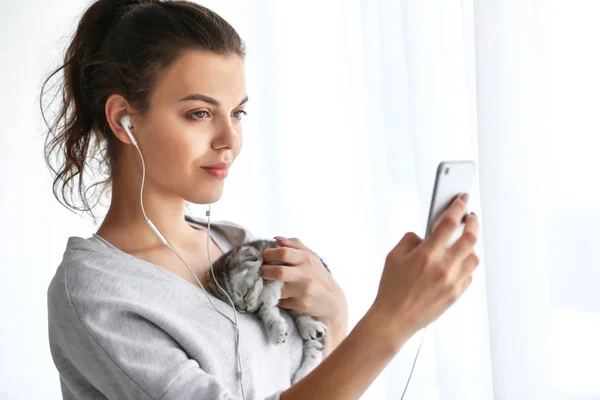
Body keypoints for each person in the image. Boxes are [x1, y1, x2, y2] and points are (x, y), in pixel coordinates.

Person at [43, 1, 480, 399]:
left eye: (237, 113)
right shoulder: (95, 295)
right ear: (125, 120)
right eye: (200, 113)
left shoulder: (241, 245)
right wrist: (390, 321)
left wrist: (337, 319)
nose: (230, 139)